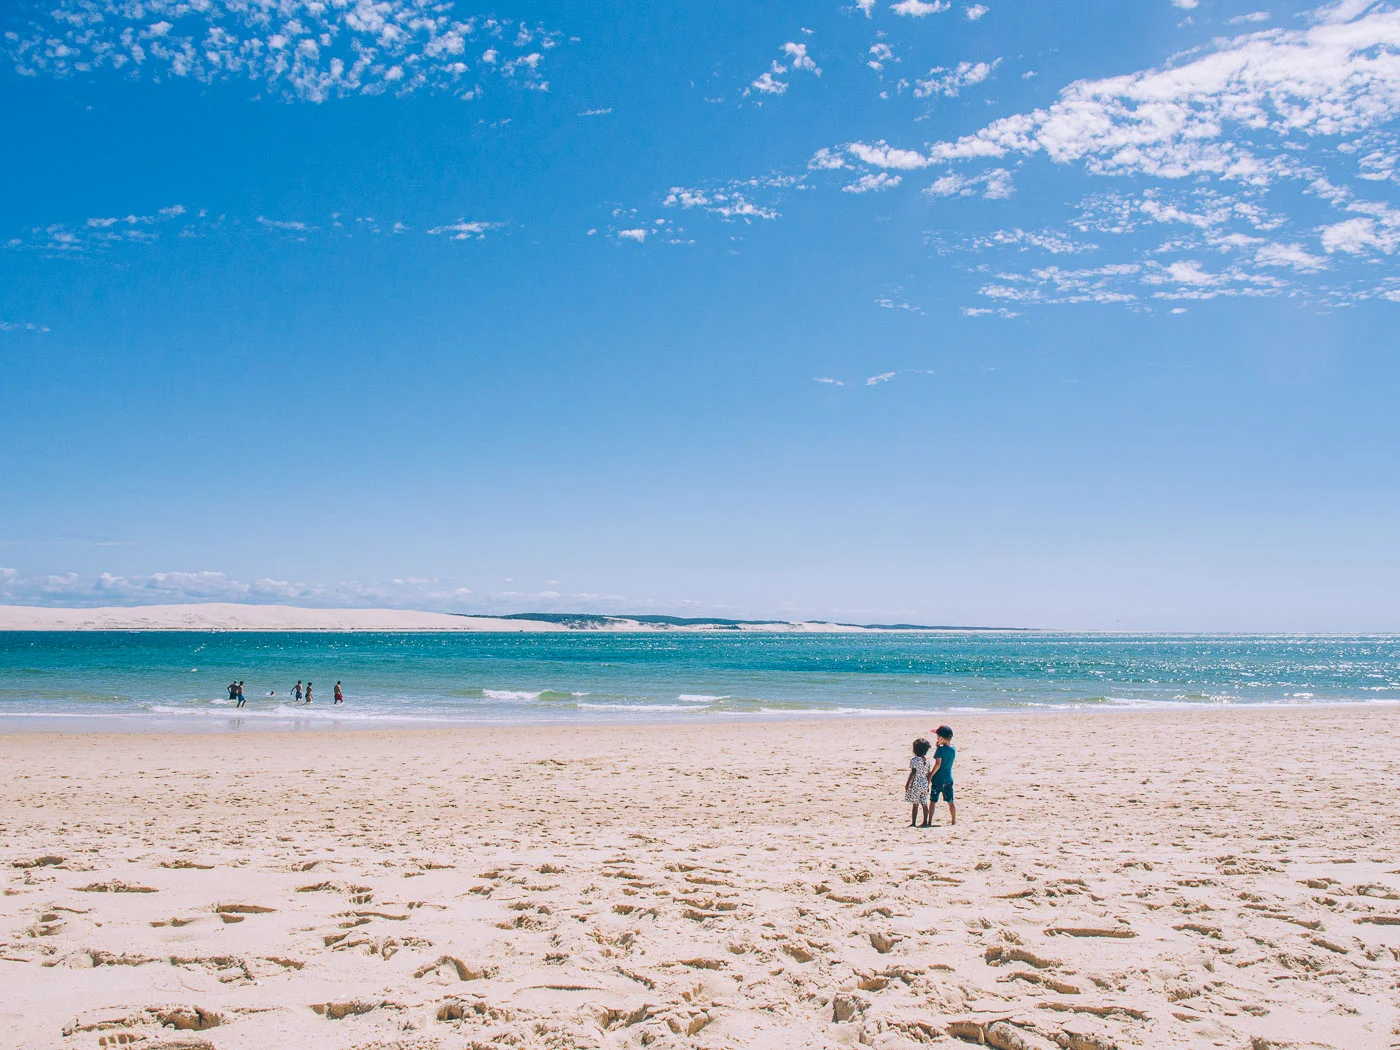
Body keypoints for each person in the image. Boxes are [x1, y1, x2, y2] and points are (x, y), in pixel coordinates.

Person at [927, 725, 956, 826]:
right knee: (950, 801)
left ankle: (929, 821)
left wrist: (930, 775)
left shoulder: (940, 750)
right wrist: (939, 746)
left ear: (941, 738)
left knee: (933, 801)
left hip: (938, 779)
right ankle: (953, 820)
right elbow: (946, 756)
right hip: (948, 778)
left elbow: (938, 764)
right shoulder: (953, 749)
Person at [904, 738, 932, 828]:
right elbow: (928, 773)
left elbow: (913, 772)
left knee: (915, 804)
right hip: (924, 783)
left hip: (916, 783)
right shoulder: (927, 761)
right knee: (924, 804)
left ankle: (913, 822)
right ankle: (925, 822)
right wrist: (928, 784)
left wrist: (908, 783)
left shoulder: (915, 760)